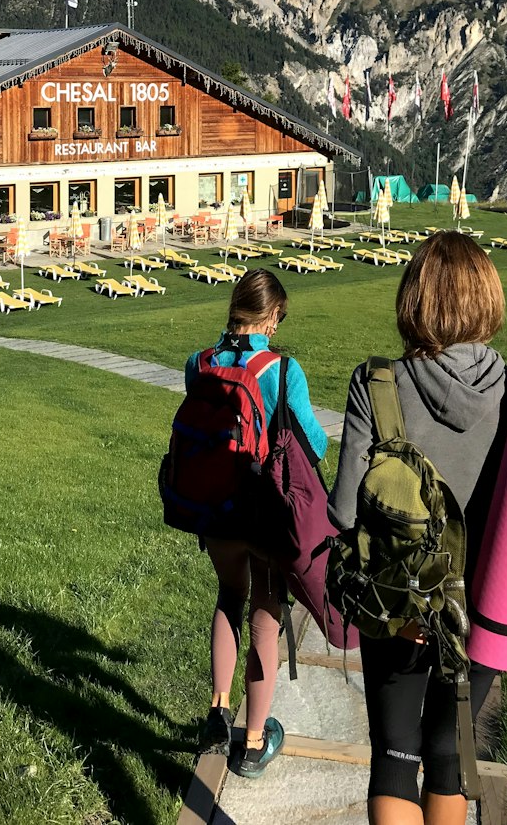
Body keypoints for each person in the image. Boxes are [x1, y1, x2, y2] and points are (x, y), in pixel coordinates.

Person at [328, 231, 507, 825]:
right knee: (449, 758)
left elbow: (345, 514)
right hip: (480, 607)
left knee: (395, 758)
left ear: (414, 300)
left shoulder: (375, 384)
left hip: (400, 604)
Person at [187, 268, 328, 778]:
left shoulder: (200, 362)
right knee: (266, 621)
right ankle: (252, 744)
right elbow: (315, 442)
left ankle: (217, 711)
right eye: (279, 317)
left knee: (228, 597)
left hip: (214, 509)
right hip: (265, 515)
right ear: (270, 315)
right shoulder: (282, 371)